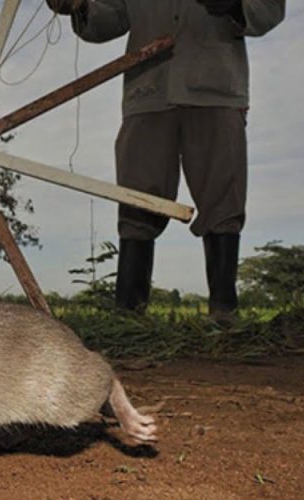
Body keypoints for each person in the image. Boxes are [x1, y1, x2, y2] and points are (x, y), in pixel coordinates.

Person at [45, 0, 285, 321]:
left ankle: (224, 311)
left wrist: (233, 5)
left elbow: (268, 9)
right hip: (148, 91)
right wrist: (80, 7)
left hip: (216, 88)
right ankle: (129, 314)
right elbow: (112, 16)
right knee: (137, 197)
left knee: (222, 194)